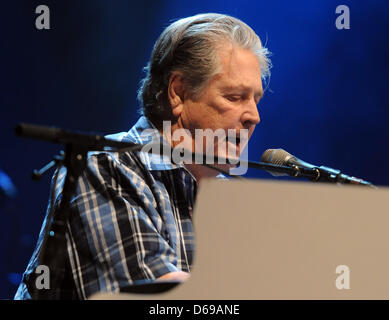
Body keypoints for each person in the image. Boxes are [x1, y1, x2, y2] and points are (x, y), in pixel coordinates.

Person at [15, 13, 271, 299]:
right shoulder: (105, 167)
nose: (253, 116)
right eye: (235, 97)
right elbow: (162, 297)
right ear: (178, 92)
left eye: (256, 100)